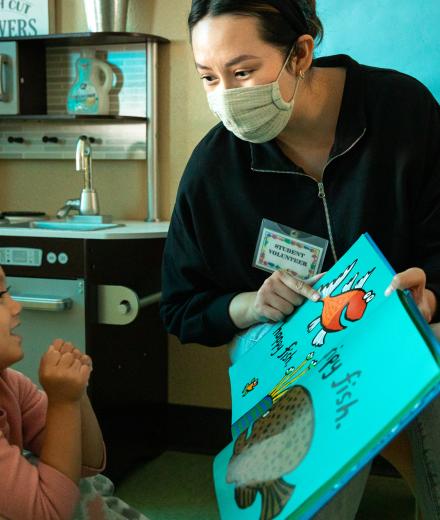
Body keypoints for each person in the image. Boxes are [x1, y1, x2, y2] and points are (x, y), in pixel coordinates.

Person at [160, 0, 440, 517]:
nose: (226, 98)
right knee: (294, 484)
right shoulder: (214, 170)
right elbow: (182, 305)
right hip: (287, 342)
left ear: (300, 54)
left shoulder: (402, 111)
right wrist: (251, 304)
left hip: (400, 321)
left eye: (242, 72)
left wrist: (432, 292)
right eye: (208, 77)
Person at [0, 265, 148, 520]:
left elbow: (87, 463)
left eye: (8, 291)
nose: (16, 307)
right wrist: (63, 402)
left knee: (89, 486)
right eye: (0, 298)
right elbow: (48, 513)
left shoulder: (11, 383)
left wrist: (75, 392)